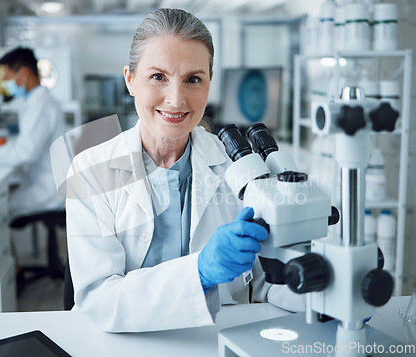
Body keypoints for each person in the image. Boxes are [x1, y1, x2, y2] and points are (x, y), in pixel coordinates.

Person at [66, 8, 304, 333]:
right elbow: (99, 298)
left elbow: (265, 282)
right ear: (130, 79)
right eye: (158, 77)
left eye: (193, 79)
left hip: (215, 338)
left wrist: (326, 292)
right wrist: (200, 273)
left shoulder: (238, 166)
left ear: (209, 84)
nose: (176, 100)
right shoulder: (91, 171)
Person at [0, 47, 66, 217]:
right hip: (41, 180)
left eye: (7, 77)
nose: (6, 82)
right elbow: (26, 144)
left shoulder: (40, 104)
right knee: (1, 198)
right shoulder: (35, 100)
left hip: (48, 189)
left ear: (23, 73)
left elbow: (26, 152)